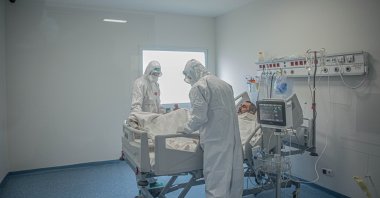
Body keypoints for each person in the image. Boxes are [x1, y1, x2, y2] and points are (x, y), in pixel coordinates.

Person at [178, 59, 243, 198]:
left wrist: (184, 129)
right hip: (231, 137)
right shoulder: (224, 84)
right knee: (232, 175)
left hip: (215, 139)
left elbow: (199, 117)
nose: (189, 80)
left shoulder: (198, 87)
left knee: (216, 177)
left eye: (189, 76)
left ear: (193, 72)